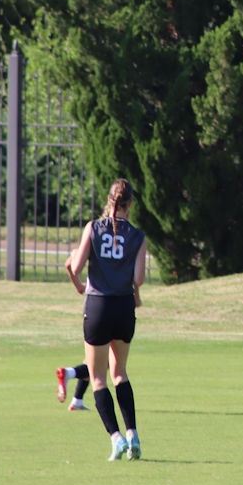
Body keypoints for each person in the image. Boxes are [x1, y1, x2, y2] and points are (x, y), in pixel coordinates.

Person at [65, 178, 147, 460]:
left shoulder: (93, 228)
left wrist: (73, 267)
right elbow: (138, 279)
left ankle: (116, 438)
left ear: (109, 200)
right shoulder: (138, 236)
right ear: (130, 204)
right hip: (124, 307)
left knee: (98, 377)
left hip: (98, 306)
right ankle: (133, 434)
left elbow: (77, 267)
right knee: (120, 373)